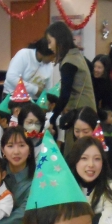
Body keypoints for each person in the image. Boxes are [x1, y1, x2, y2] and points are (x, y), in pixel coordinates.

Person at [46, 21, 96, 157]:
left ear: (58, 39)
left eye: (50, 42)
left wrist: (53, 117)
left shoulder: (68, 62)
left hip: (79, 112)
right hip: (88, 108)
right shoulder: (77, 55)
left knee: (76, 152)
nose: (49, 46)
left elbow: (65, 94)